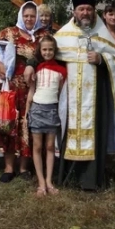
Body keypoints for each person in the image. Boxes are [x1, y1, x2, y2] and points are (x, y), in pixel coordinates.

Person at [54, 0, 115, 190]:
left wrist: (101, 59)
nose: (85, 13)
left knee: (94, 134)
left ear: (94, 10)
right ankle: (68, 178)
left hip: (95, 96)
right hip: (69, 97)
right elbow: (49, 56)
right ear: (74, 11)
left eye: (88, 9)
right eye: (81, 9)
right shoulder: (63, 35)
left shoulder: (101, 34)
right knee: (67, 133)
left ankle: (91, 180)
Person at [0, 2, 48, 182]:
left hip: (33, 89)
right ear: (20, 16)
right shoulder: (9, 33)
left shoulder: (44, 35)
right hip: (9, 88)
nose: (29, 19)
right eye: (26, 15)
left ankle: (24, 167)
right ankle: (9, 168)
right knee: (9, 126)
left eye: (32, 16)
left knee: (27, 125)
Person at [26, 35, 66, 196]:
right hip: (37, 109)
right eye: (44, 49)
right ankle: (40, 182)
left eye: (50, 49)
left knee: (50, 147)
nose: (47, 52)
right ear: (40, 51)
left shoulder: (62, 71)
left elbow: (62, 93)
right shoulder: (37, 68)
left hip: (52, 110)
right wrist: (27, 110)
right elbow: (31, 90)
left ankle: (49, 181)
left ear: (54, 51)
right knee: (37, 147)